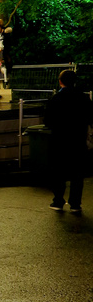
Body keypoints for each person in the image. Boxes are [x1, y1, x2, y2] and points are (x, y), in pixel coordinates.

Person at [44, 69, 93, 213]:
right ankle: (75, 203)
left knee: (58, 171)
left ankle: (58, 200)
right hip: (78, 140)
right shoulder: (83, 98)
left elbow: (48, 121)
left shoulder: (56, 99)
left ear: (60, 81)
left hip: (60, 140)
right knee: (77, 173)